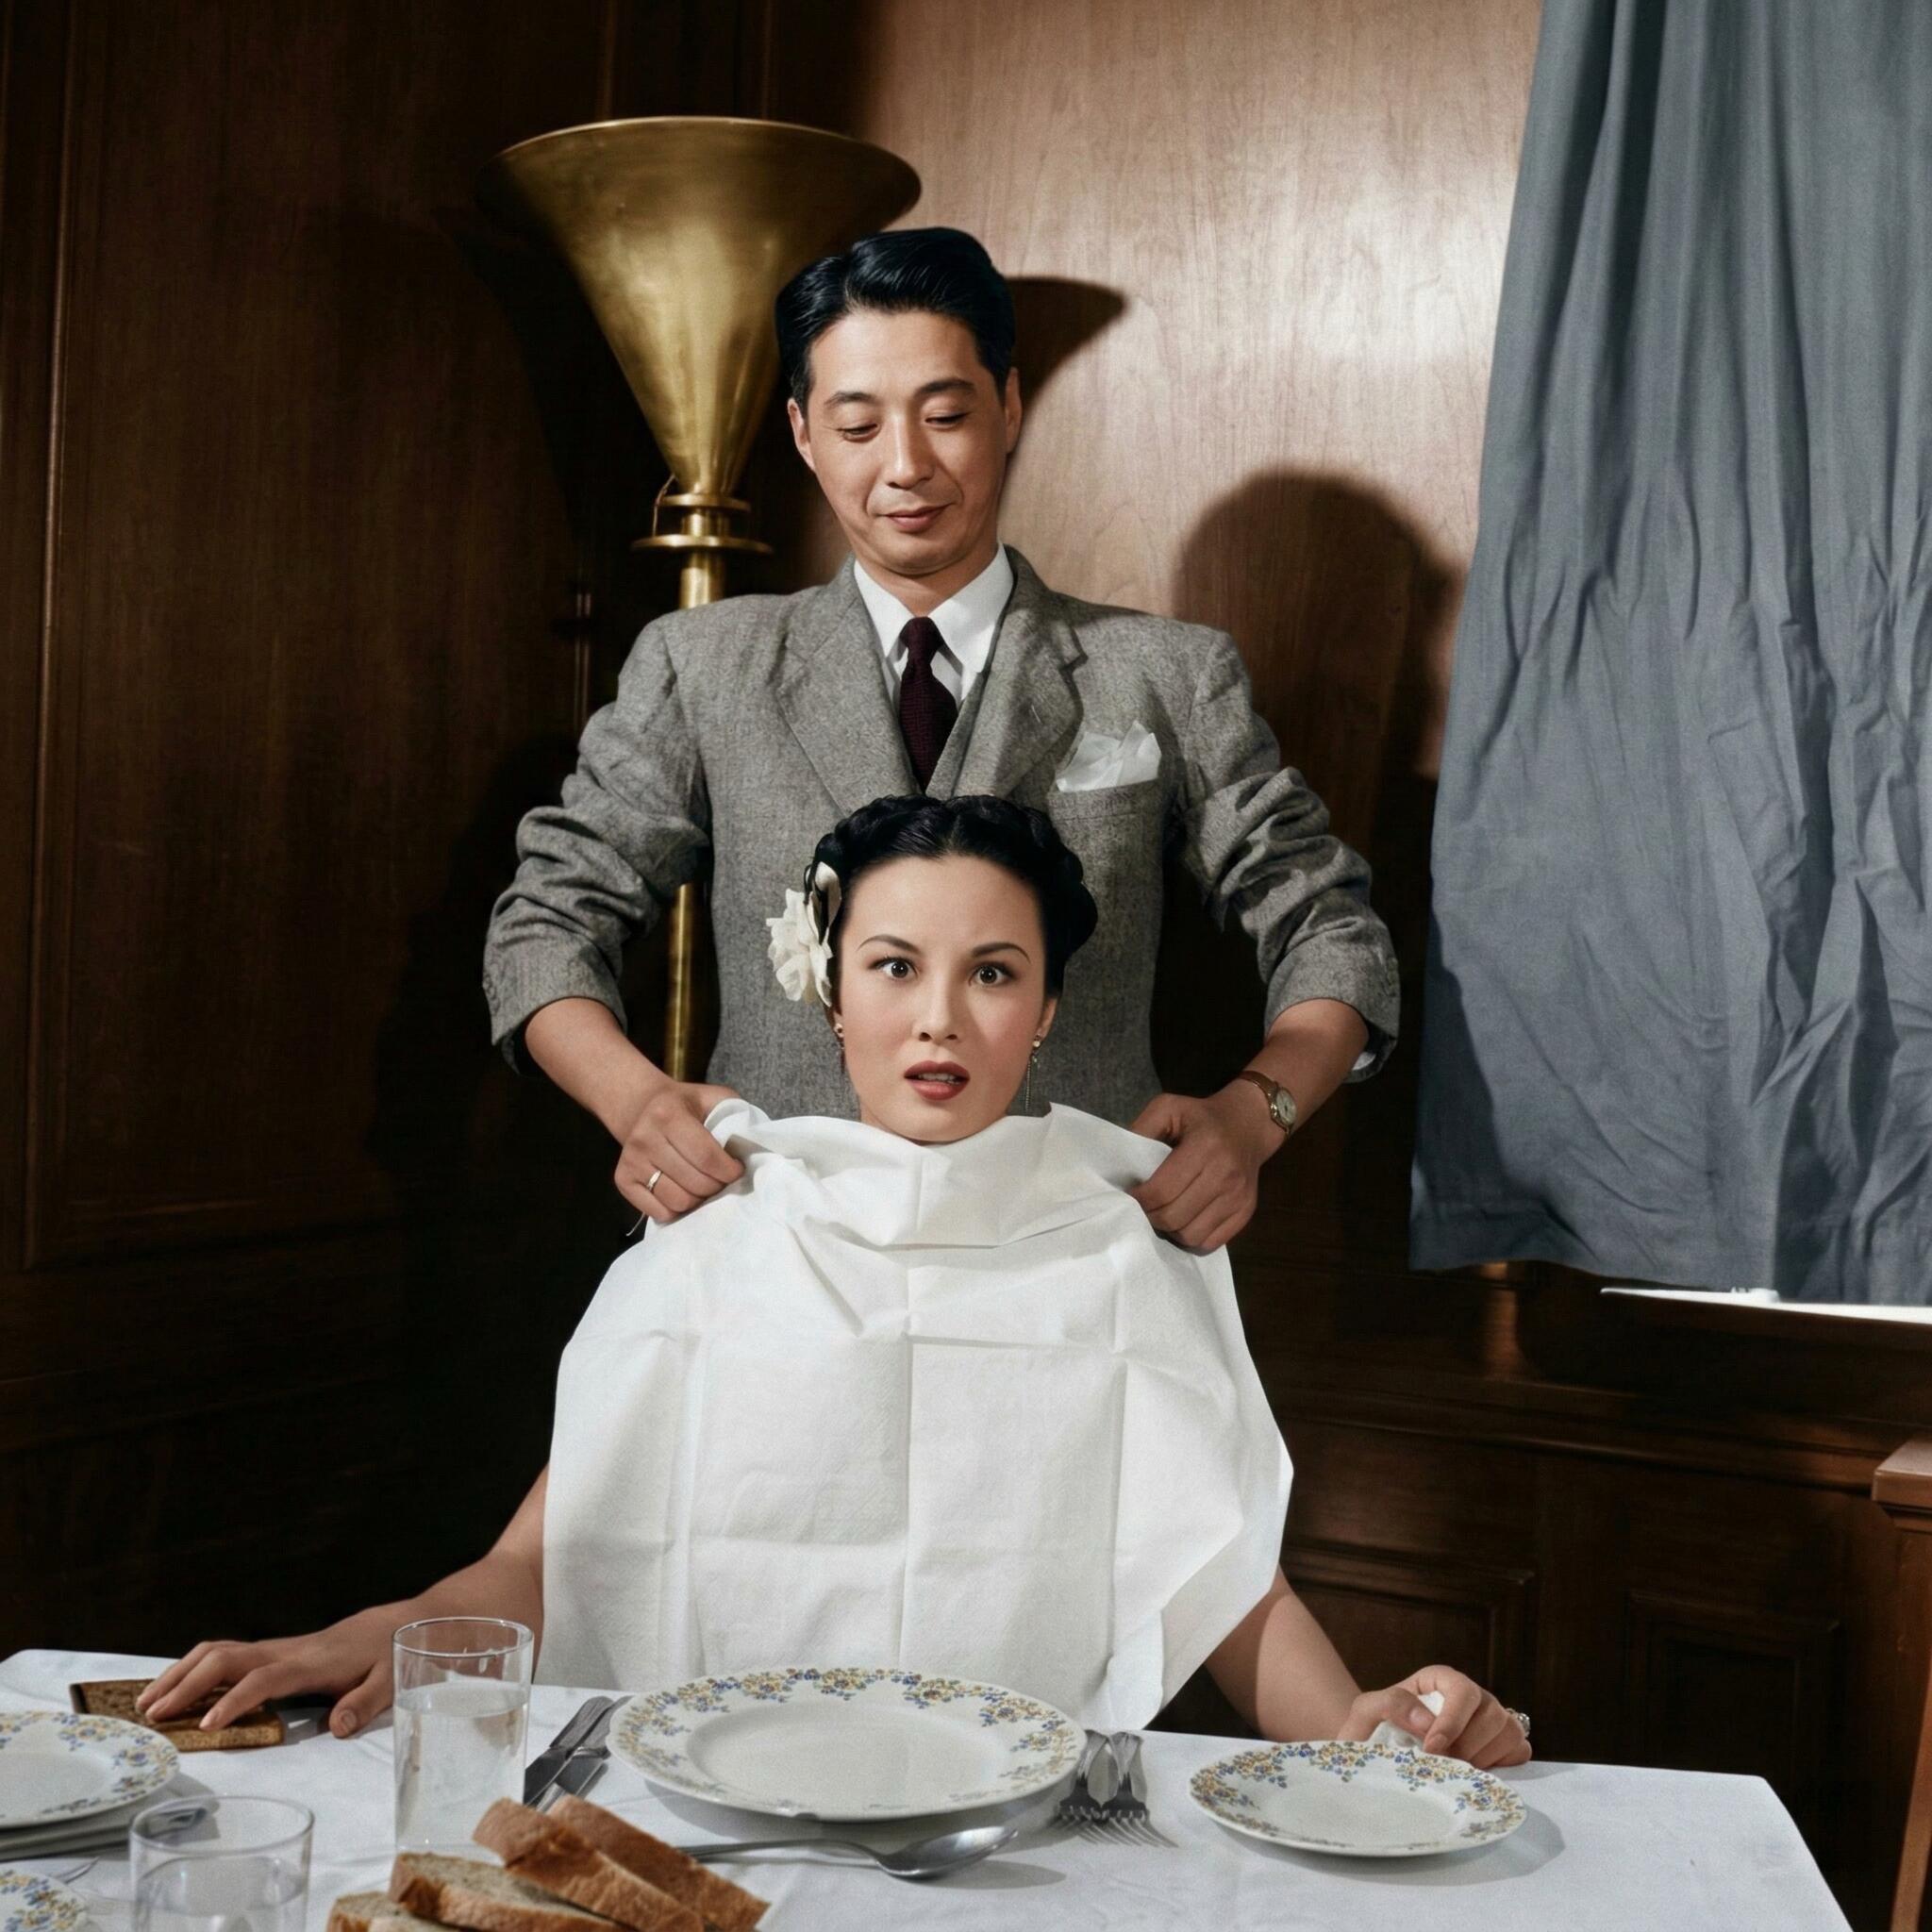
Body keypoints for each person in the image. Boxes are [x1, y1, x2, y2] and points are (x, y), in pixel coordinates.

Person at [146, 798, 1526, 1774]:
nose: (939, 1018)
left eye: (994, 973)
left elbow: (1214, 1580)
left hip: (1001, 1831)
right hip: (722, 1810)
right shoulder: (720, 1226)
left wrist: (1358, 1724)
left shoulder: (1123, 1246)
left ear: (1048, 1009)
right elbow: (548, 1558)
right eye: (894, 967)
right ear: (830, 992)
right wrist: (393, 1630)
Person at [484, 226, 1400, 1256]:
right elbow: (543, 921)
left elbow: (1333, 929)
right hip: (777, 1247)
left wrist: (1255, 1114)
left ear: (1008, 408)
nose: (905, 466)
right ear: (802, 433)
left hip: (1077, 1250)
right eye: (857, 424)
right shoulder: (703, 665)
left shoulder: (1167, 673)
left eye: (947, 415)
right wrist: (634, 1099)